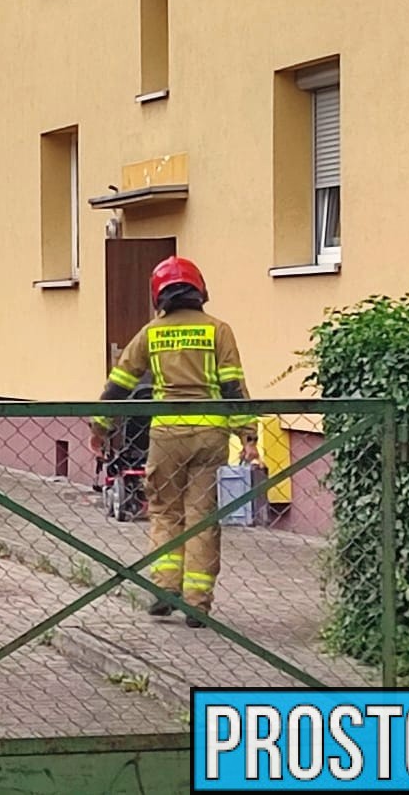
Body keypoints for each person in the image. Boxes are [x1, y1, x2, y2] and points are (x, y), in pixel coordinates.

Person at [89, 257, 256, 627]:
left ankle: (165, 591)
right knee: (202, 517)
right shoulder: (218, 330)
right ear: (199, 290)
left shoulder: (151, 333)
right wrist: (248, 437)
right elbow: (234, 387)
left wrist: (100, 427)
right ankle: (197, 604)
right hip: (210, 435)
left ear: (158, 294)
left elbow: (120, 382)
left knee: (165, 512)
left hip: (166, 435)